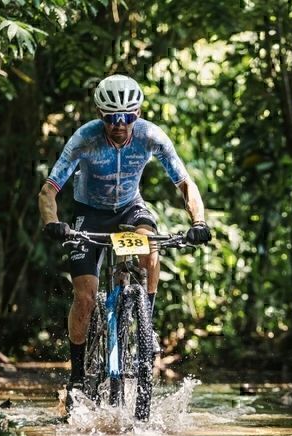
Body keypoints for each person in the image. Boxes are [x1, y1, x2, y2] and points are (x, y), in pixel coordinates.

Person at [38, 74, 211, 408]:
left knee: (149, 245)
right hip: (89, 213)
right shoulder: (85, 138)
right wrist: (53, 222)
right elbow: (48, 190)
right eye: (111, 118)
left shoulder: (150, 136)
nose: (120, 125)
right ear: (101, 115)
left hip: (131, 209)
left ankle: (146, 322)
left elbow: (186, 184)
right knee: (85, 297)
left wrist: (199, 222)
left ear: (138, 113)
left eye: (127, 117)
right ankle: (76, 374)